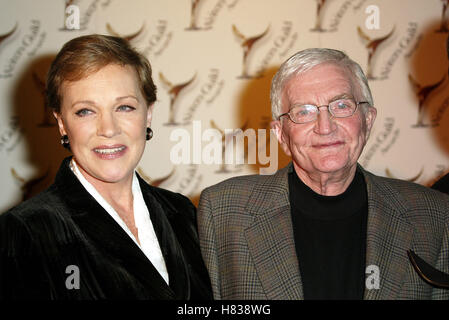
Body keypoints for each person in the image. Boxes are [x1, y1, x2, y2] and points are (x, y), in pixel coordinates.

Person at [197, 48, 449, 300]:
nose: (325, 127)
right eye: (304, 112)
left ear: (368, 120)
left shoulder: (434, 214)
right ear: (281, 134)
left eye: (341, 105)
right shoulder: (223, 212)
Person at [0, 34, 212, 300]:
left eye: (124, 107)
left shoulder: (184, 214)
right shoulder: (25, 232)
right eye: (86, 111)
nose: (108, 130)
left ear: (148, 114)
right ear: (62, 123)